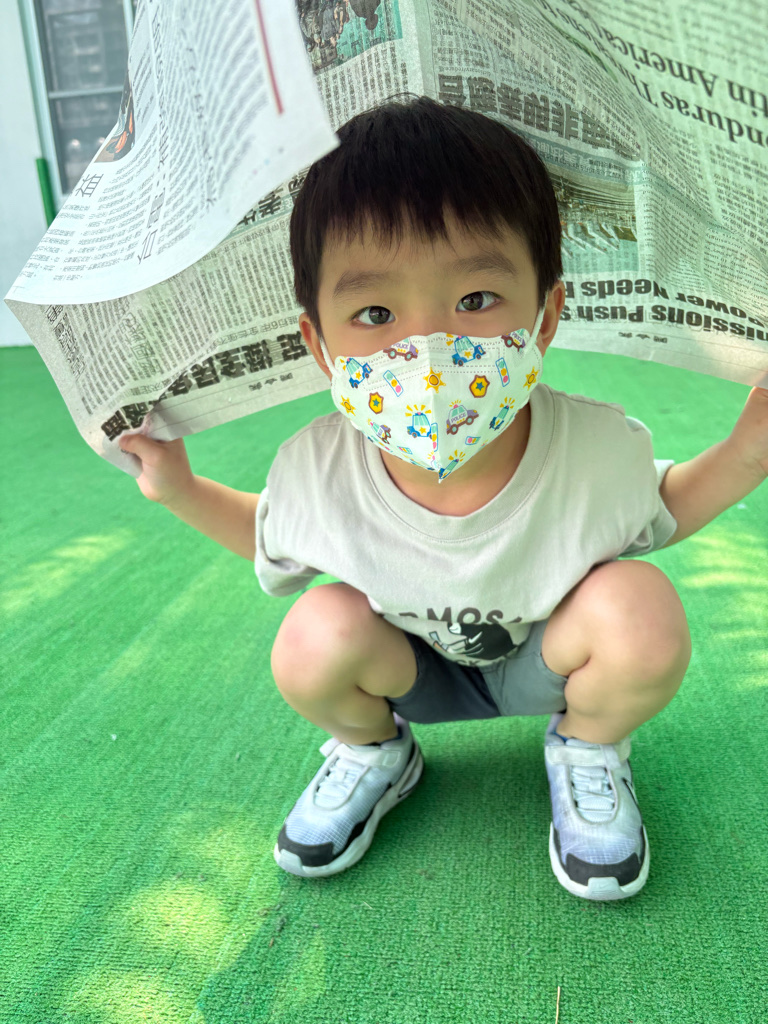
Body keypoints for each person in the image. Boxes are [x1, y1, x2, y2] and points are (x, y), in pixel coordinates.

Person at [120, 96, 768, 901]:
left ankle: (589, 744)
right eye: (375, 313)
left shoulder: (596, 445)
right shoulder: (318, 467)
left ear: (546, 314)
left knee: (639, 606)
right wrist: (179, 489)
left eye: (475, 301)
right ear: (319, 343)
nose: (428, 352)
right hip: (408, 668)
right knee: (312, 636)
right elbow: (270, 529)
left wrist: (749, 450)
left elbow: (662, 504)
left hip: (546, 662)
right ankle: (376, 750)